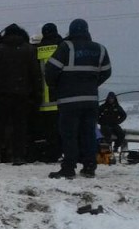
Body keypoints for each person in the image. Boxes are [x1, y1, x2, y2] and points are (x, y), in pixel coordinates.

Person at [45, 18, 111, 179]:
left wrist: (56, 86)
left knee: (69, 134)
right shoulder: (100, 49)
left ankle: (68, 167)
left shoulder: (66, 47)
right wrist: (92, 83)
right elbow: (107, 72)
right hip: (91, 100)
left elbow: (50, 70)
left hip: (69, 100)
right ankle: (90, 166)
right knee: (88, 133)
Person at [0, 24, 41, 165]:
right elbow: (35, 74)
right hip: (22, 94)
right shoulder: (29, 50)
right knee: (20, 126)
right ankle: (18, 155)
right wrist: (37, 94)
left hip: (1, 93)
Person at [30, 22, 62, 162]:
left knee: (47, 131)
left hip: (43, 98)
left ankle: (49, 154)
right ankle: (61, 152)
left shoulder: (37, 49)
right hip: (60, 97)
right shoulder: (62, 48)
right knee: (62, 130)